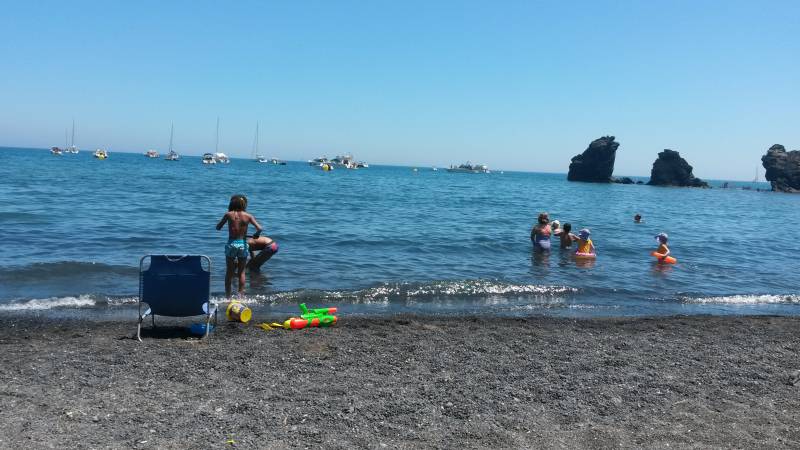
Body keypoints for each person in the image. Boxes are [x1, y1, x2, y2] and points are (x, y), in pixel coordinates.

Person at [216, 195, 263, 298]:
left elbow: (218, 227)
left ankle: (228, 297)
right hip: (242, 244)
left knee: (229, 272)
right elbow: (259, 228)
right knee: (241, 272)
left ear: (232, 204)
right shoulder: (248, 216)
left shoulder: (228, 214)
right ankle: (240, 297)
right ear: (244, 204)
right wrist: (256, 235)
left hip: (232, 244)